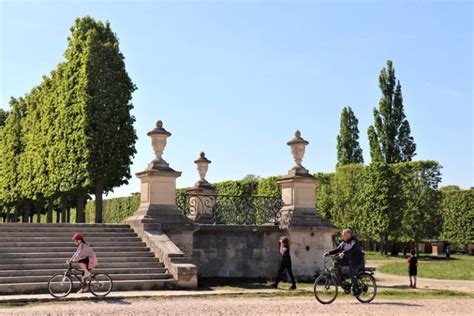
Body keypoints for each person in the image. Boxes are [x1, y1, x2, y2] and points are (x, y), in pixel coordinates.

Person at [324, 229, 364, 295]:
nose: (342, 236)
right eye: (342, 235)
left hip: (356, 261)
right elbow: (338, 249)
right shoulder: (343, 243)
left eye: (344, 235)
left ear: (349, 235)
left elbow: (351, 249)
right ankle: (343, 282)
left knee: (351, 272)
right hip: (349, 260)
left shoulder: (354, 242)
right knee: (336, 264)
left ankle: (358, 289)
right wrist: (329, 253)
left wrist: (343, 253)